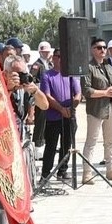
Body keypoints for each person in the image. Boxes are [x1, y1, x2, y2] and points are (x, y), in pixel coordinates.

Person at [0, 55, 49, 224]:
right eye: (17, 73)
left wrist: (34, 89)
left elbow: (44, 105)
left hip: (14, 146)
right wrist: (8, 88)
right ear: (5, 73)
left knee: (11, 192)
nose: (21, 77)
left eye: (24, 72)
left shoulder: (25, 88)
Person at [80, 37, 112, 184]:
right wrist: (105, 93)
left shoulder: (108, 66)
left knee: (110, 141)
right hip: (96, 109)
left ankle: (111, 170)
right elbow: (87, 91)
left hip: (111, 107)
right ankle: (87, 173)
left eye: (104, 47)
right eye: (99, 47)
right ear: (92, 50)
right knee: (91, 141)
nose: (103, 50)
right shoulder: (88, 67)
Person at [37, 47, 80, 186]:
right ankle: (45, 174)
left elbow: (78, 94)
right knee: (51, 146)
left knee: (67, 145)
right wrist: (61, 109)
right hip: (53, 117)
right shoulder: (47, 75)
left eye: (64, 56)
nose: (62, 59)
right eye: (59, 56)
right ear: (54, 58)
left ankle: (62, 170)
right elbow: (47, 96)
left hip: (69, 116)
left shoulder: (71, 75)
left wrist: (72, 107)